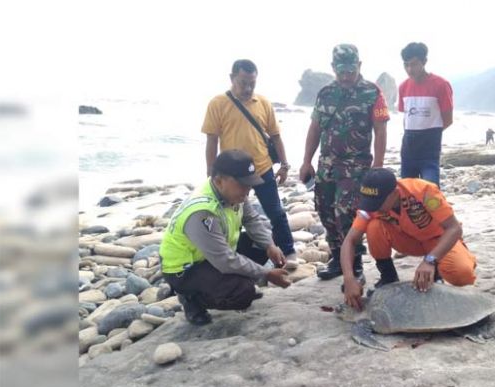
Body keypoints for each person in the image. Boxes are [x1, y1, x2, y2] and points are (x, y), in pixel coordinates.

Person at [160, 150, 291, 325]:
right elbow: (224, 260)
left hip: (212, 254)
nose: (248, 190)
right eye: (243, 184)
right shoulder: (202, 212)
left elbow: (251, 219)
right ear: (219, 180)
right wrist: (266, 273)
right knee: (242, 293)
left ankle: (236, 281)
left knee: (263, 243)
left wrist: (270, 245)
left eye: (250, 184)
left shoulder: (234, 193)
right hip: (185, 269)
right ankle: (191, 299)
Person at [299, 44, 390, 283]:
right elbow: (315, 127)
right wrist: (306, 161)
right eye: (342, 71)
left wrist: (377, 167)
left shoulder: (372, 92)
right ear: (333, 68)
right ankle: (338, 258)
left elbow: (380, 131)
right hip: (326, 165)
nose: (347, 76)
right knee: (325, 209)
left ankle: (355, 263)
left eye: (351, 70)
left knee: (347, 214)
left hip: (356, 167)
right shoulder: (325, 93)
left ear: (359, 65)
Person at [202, 59, 298, 269]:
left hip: (262, 169)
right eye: (242, 82)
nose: (247, 88)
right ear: (232, 78)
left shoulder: (263, 103)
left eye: (251, 84)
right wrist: (212, 174)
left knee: (276, 213)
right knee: (229, 214)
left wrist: (284, 165)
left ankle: (288, 251)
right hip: (232, 175)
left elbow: (275, 136)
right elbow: (212, 141)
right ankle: (225, 253)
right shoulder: (218, 103)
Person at [341, 168, 477, 309]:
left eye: (378, 203)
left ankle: (436, 273)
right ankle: (388, 277)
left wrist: (430, 260)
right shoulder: (369, 206)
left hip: (438, 241)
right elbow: (350, 240)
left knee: (462, 274)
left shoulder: (423, 191)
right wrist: (349, 278)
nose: (373, 208)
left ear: (394, 194)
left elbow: (454, 228)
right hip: (408, 241)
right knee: (374, 226)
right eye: (370, 202)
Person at [398, 42, 453, 188]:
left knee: (431, 191)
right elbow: (407, 119)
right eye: (406, 65)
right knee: (407, 192)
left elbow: (448, 119)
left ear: (424, 62)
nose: (410, 69)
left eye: (414, 64)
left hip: (429, 150)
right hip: (408, 149)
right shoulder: (403, 87)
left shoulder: (441, 84)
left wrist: (431, 134)